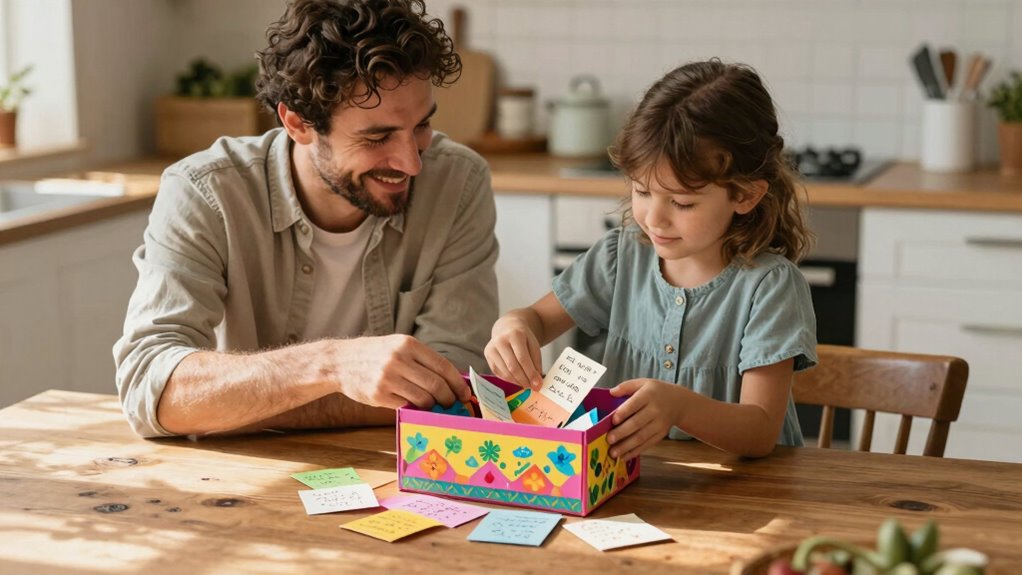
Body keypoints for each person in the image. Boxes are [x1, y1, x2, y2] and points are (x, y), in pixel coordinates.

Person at [114, 0, 499, 438]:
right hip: (238, 479)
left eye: (421, 127)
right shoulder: (205, 191)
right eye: (377, 137)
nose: (411, 163)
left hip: (389, 473)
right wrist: (333, 365)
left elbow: (453, 386)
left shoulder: (458, 181)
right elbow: (151, 389)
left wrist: (243, 402)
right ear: (297, 124)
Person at [485, 60, 817, 460]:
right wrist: (514, 325)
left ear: (745, 195)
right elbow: (536, 320)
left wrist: (678, 406)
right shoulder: (620, 255)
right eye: (642, 192)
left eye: (681, 202)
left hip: (748, 495)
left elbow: (761, 429)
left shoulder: (770, 287)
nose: (654, 219)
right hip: (638, 485)